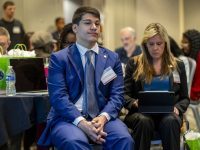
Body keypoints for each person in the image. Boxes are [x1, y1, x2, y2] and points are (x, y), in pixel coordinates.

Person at [38, 6, 133, 150]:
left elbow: (117, 96)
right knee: (74, 142)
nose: (94, 27)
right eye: (88, 23)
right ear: (75, 28)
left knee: (124, 139)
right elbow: (59, 98)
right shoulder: (59, 59)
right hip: (68, 118)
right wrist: (82, 122)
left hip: (103, 117)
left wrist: (103, 117)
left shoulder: (112, 58)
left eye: (97, 23)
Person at [124, 23, 189, 150]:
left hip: (169, 114)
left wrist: (177, 108)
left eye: (159, 44)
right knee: (144, 121)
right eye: (151, 44)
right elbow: (124, 95)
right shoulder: (134, 63)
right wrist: (134, 102)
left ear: (165, 44)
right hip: (140, 113)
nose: (155, 48)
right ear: (145, 45)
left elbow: (185, 98)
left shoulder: (177, 65)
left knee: (170, 121)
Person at [181, 29, 200, 100]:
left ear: (193, 44)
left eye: (185, 42)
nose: (182, 45)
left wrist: (184, 95)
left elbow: (198, 87)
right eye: (182, 42)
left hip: (193, 94)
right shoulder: (185, 55)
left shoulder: (199, 58)